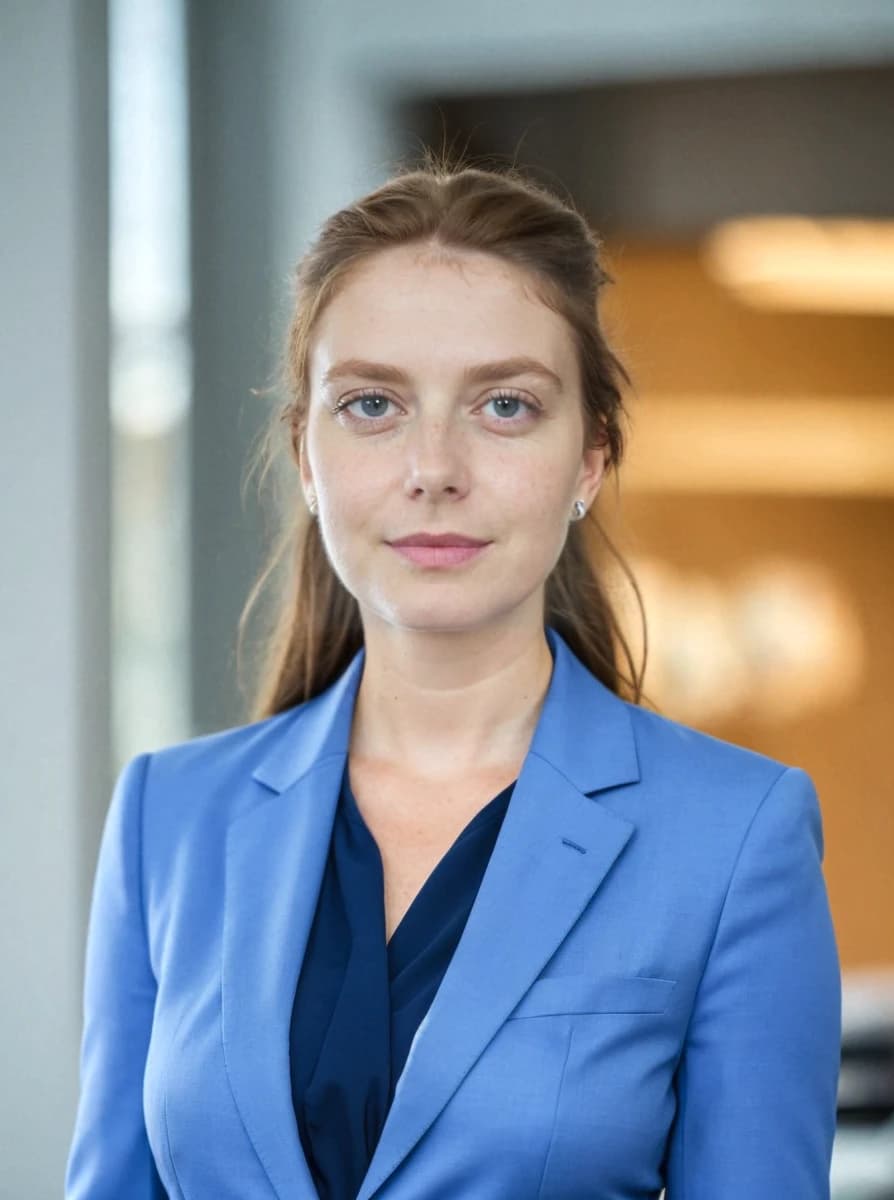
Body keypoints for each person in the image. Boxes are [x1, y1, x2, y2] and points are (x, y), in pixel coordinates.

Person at [65, 156, 842, 1200]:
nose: (433, 465)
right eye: (373, 404)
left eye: (505, 406)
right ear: (305, 452)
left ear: (590, 458)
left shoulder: (732, 837)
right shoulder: (171, 819)